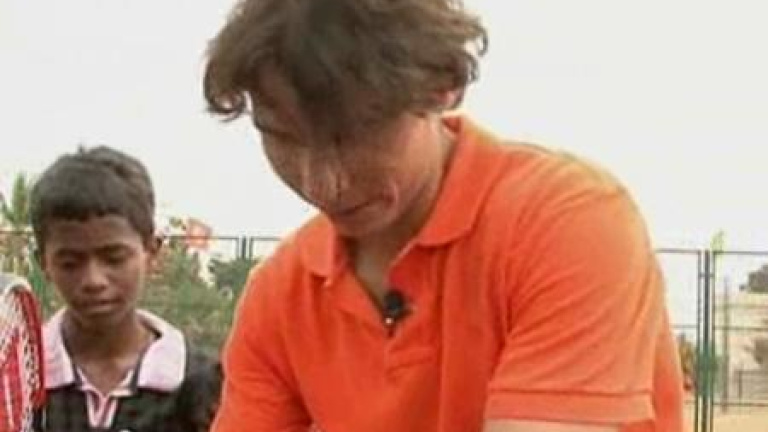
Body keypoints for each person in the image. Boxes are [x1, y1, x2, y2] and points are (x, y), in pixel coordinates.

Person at [202, 0, 685, 431]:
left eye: (354, 134)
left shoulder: (566, 223)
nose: (321, 182)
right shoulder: (281, 295)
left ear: (442, 84)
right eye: (282, 137)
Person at [29, 146, 221, 432]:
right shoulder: (19, 378)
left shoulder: (202, 383)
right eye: (70, 263)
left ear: (152, 252)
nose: (94, 280)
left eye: (114, 258)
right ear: (44, 263)